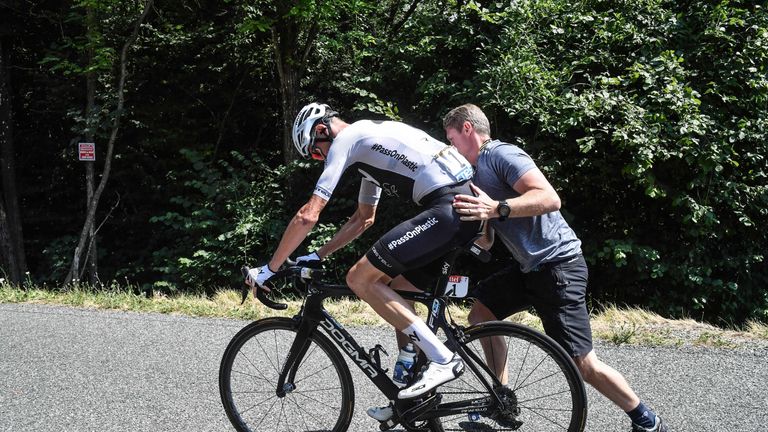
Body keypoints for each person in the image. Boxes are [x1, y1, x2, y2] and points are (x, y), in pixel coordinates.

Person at [445, 103, 668, 432]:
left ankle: (647, 421)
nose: (451, 148)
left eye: (451, 139)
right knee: (481, 317)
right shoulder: (477, 173)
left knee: (582, 364)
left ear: (468, 129)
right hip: (529, 269)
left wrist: (497, 207)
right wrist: (478, 227)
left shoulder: (501, 155)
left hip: (559, 266)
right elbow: (490, 237)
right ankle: (502, 401)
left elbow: (549, 198)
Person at [245, 102, 481, 400]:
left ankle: (442, 359)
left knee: (359, 278)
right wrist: (318, 255)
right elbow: (363, 219)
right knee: (392, 286)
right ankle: (413, 392)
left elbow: (308, 215)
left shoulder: (348, 139)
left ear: (322, 131)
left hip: (450, 208)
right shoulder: (369, 150)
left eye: (316, 152)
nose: (319, 160)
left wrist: (270, 269)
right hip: (464, 207)